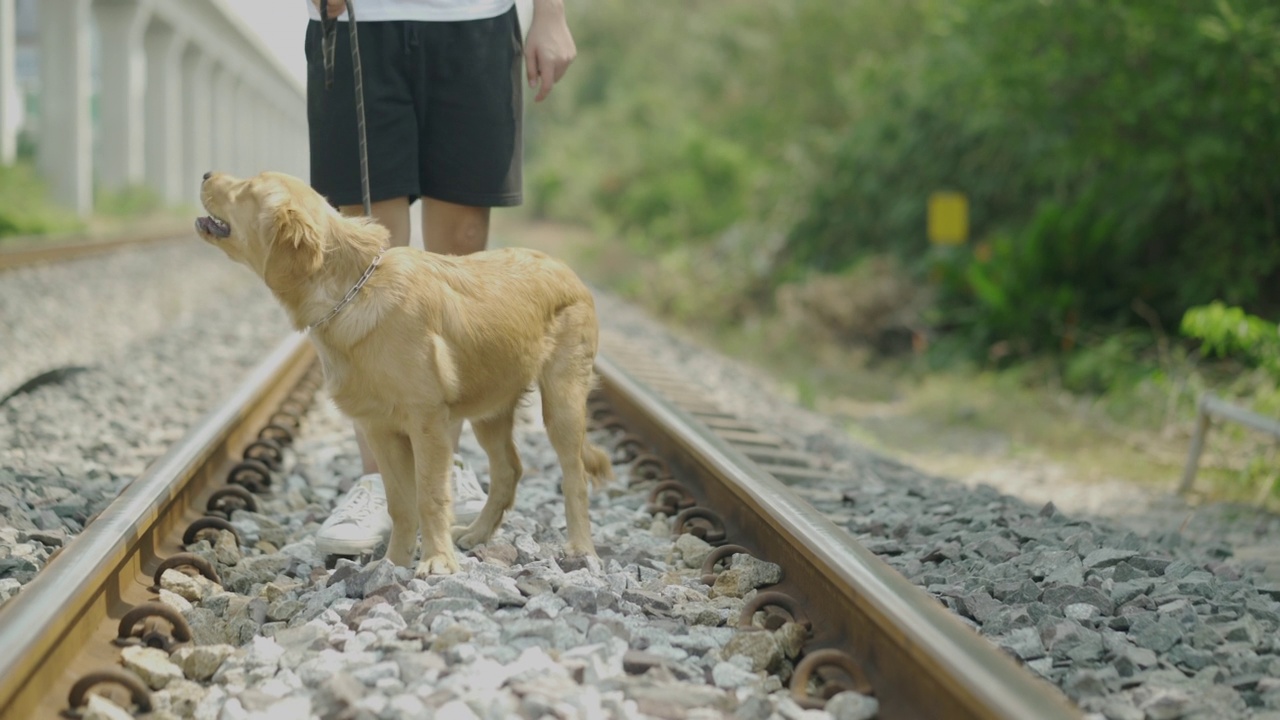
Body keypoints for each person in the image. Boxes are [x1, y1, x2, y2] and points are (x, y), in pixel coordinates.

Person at [303, 0, 577, 557]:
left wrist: (550, 13)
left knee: (461, 252)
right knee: (366, 258)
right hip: (358, 22)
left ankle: (439, 471)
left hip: (474, 22)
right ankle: (379, 481)